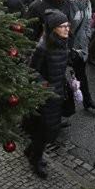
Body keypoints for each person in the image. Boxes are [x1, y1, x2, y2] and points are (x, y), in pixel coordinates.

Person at [24, 11, 71, 179]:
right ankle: (35, 160)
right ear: (53, 29)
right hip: (45, 96)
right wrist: (46, 86)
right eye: (63, 26)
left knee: (44, 129)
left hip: (57, 93)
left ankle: (31, 151)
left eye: (68, 25)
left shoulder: (62, 42)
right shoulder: (43, 48)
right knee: (44, 130)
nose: (67, 29)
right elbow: (31, 71)